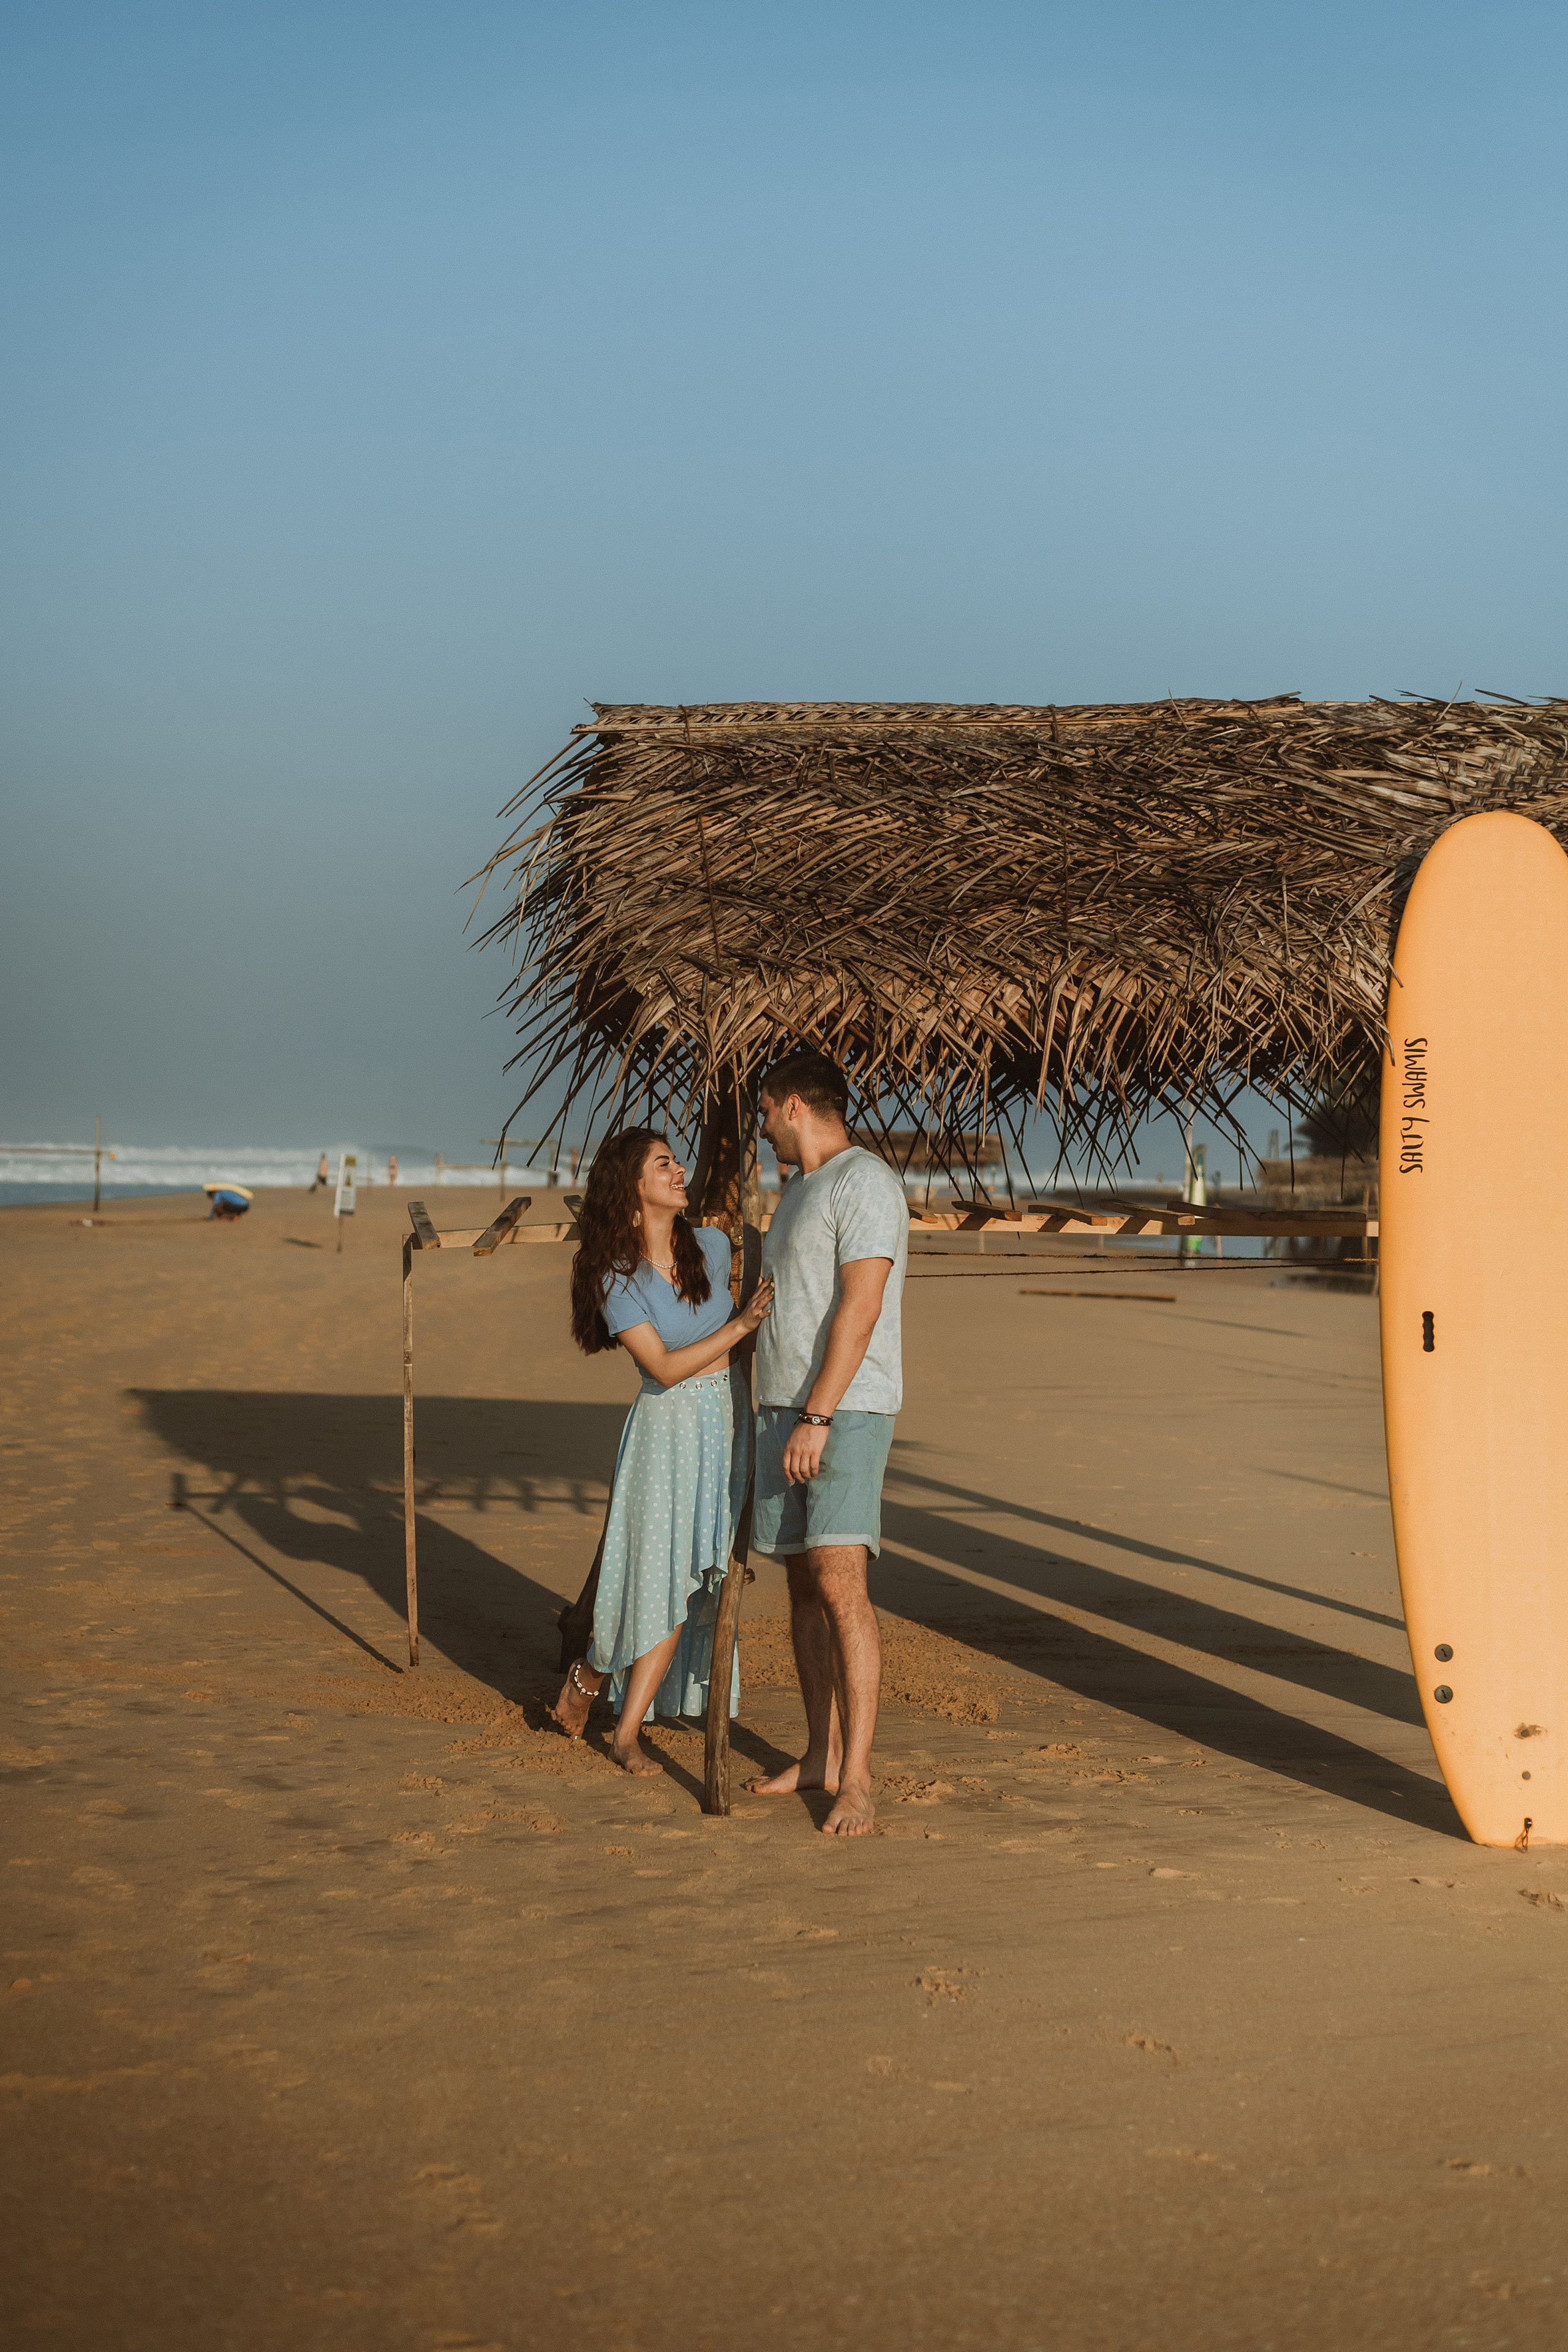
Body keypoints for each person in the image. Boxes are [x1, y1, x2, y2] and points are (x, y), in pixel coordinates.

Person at [549, 1129, 772, 1774]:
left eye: (676, 1161)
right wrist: (739, 1327)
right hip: (666, 1430)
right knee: (651, 1574)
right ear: (633, 1187)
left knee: (689, 1581)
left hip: (724, 1422)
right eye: (663, 1164)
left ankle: (622, 1730)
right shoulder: (616, 1277)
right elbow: (664, 1368)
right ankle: (593, 1680)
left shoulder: (708, 1243)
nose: (679, 1172)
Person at [747, 1050, 908, 1836]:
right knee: (803, 1589)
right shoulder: (797, 1190)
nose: (760, 1129)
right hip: (782, 1408)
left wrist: (817, 1417)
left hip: (842, 1413)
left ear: (791, 1106)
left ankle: (858, 1779)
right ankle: (818, 1753)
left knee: (844, 1588)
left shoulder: (864, 1182)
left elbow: (861, 1307)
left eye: (764, 1113)